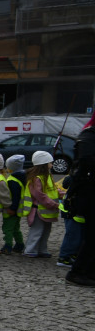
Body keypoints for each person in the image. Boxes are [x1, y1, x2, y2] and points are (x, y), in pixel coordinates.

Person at [63, 115, 95, 286]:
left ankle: (89, 272)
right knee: (92, 236)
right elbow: (86, 162)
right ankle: (77, 272)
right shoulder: (88, 137)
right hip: (88, 193)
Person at [21, 151, 59, 258]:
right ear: (44, 164)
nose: (51, 165)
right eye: (50, 163)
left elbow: (53, 190)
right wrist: (53, 204)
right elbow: (40, 195)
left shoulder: (47, 176)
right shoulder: (37, 179)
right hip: (39, 210)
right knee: (37, 231)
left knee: (46, 231)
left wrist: (62, 194)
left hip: (47, 211)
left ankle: (42, 249)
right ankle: (30, 249)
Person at [1, 154, 27, 254]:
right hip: (19, 209)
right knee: (16, 228)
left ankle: (8, 246)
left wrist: (11, 208)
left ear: (11, 168)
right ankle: (19, 244)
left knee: (7, 228)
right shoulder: (23, 177)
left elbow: (14, 196)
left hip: (12, 209)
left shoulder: (12, 180)